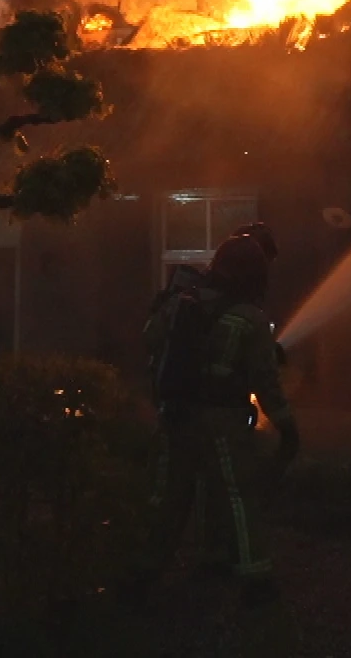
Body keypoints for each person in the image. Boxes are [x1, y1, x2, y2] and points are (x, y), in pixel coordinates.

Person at [129, 226, 300, 609]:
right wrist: (287, 426)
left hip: (176, 416)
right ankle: (256, 580)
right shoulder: (249, 318)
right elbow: (265, 383)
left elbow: (149, 339)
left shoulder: (182, 304)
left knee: (168, 495)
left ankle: (142, 572)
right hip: (223, 423)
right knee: (238, 495)